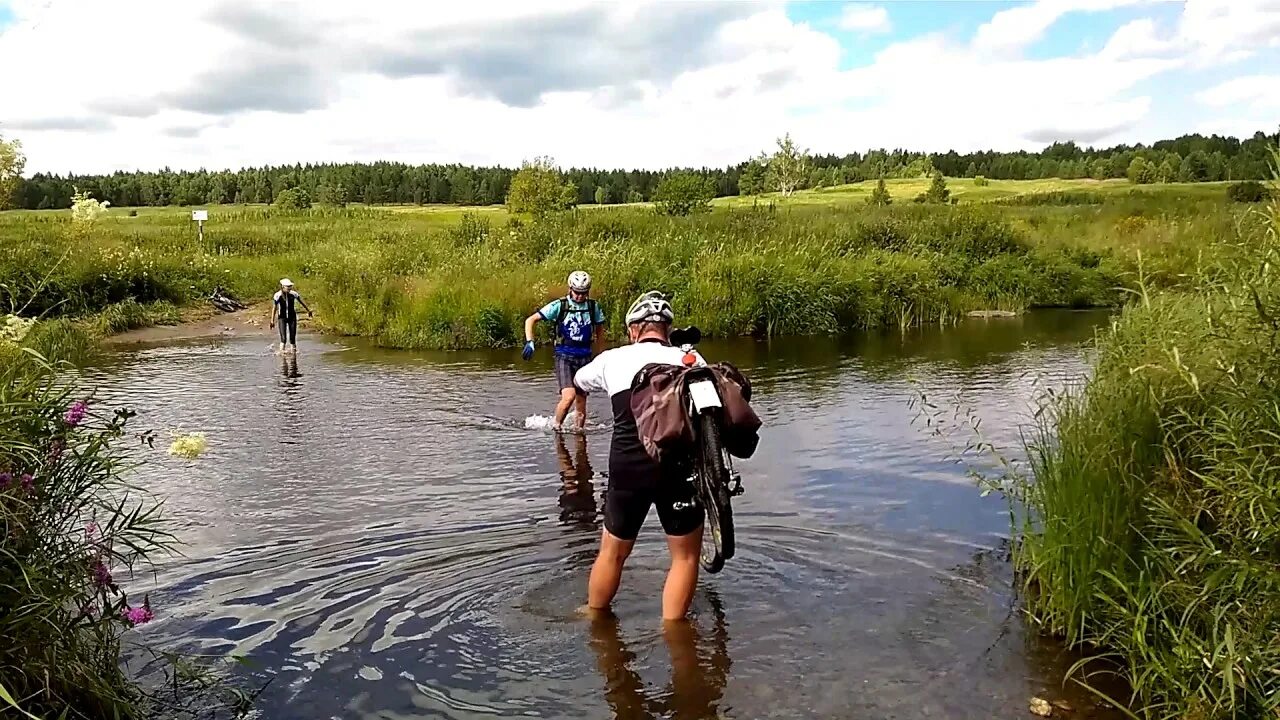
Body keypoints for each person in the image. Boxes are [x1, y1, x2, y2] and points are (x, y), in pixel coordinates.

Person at [572, 291, 706, 621]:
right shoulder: (693, 359)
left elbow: (579, 381)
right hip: (679, 468)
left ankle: (595, 616)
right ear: (668, 328)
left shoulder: (613, 359)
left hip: (628, 466)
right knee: (685, 558)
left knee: (612, 553)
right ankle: (675, 635)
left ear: (634, 329)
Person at [522, 271, 606, 433]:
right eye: (577, 293)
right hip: (564, 357)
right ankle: (557, 428)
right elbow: (530, 320)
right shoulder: (560, 305)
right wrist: (530, 341)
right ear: (570, 289)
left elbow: (600, 332)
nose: (580, 296)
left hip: (585, 357)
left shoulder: (592, 307)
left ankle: (579, 435)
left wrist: (601, 355)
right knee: (569, 397)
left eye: (584, 293)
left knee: (581, 402)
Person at [270, 278, 312, 353]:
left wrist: (308, 310)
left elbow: (301, 302)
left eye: (290, 286)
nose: (289, 288)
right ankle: (282, 354)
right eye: (288, 286)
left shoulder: (294, 294)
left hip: (292, 317)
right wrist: (272, 321)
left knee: (292, 338)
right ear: (283, 287)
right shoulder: (277, 295)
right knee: (283, 338)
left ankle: (293, 353)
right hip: (282, 318)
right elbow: (274, 308)